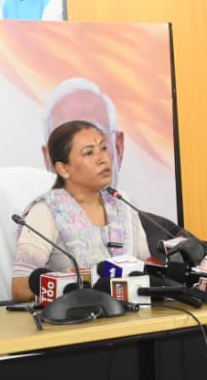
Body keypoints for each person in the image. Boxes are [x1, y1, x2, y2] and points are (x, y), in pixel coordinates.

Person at [41, 78, 189, 249]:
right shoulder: (36, 230)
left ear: (118, 147)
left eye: (97, 144)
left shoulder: (162, 236)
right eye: (67, 146)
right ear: (49, 160)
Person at [11, 121, 150, 302]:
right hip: (76, 314)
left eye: (104, 148)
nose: (103, 159)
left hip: (133, 313)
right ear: (63, 168)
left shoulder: (123, 203)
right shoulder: (47, 210)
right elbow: (20, 288)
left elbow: (147, 268)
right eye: (89, 153)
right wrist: (73, 282)